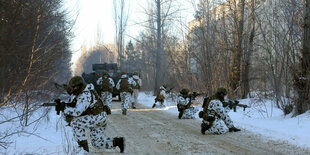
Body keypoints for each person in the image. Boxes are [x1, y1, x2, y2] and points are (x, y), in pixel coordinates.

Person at [59, 76, 125, 153]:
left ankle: (83, 150)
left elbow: (77, 112)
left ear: (80, 85)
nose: (73, 89)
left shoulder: (85, 94)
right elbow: (77, 104)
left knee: (75, 123)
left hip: (96, 118)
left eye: (74, 87)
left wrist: (64, 108)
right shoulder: (85, 91)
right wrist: (65, 105)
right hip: (99, 117)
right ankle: (117, 142)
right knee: (97, 143)